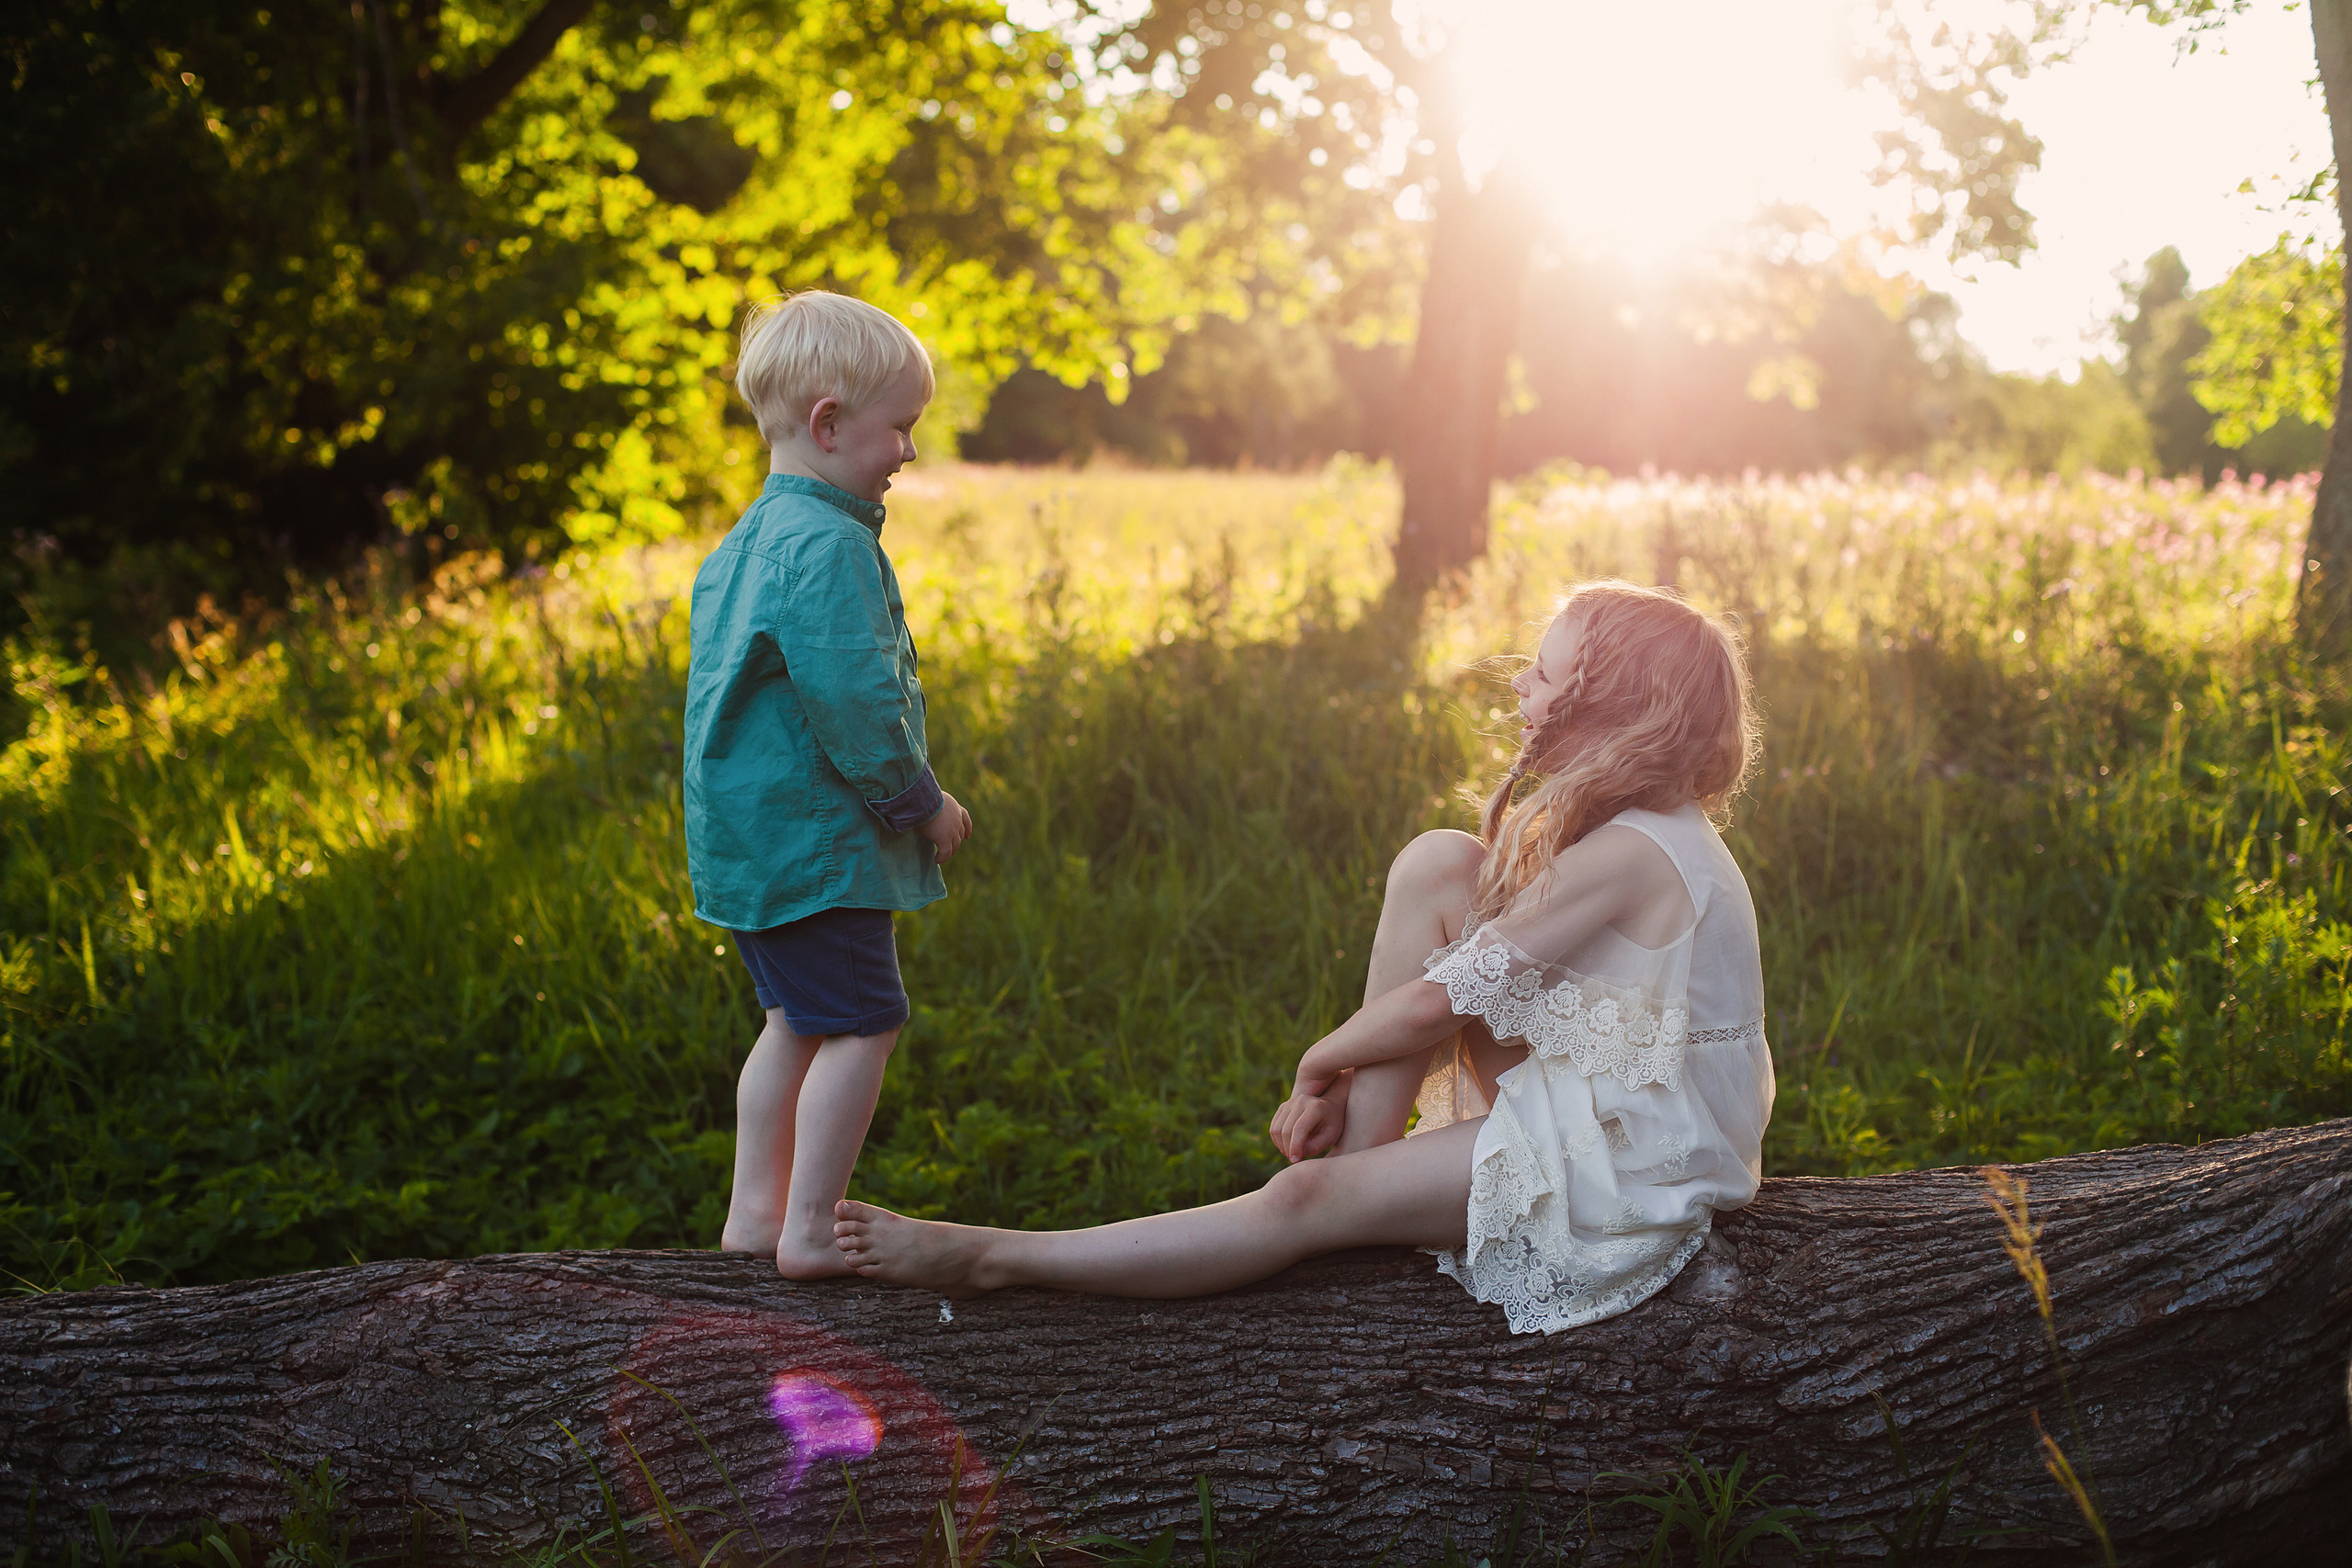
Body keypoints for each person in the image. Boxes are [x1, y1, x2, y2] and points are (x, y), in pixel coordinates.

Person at [834, 581, 1772, 1332]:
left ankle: (997, 1259)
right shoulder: (1643, 830)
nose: (1519, 690)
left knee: (1299, 1199)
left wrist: (1319, 1061)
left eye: (1541, 674)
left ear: (1604, 705)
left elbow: (1434, 1008)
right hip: (1616, 1095)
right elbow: (1476, 974)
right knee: (1440, 861)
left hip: (1634, 1161)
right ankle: (1363, 1164)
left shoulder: (1634, 852)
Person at [685, 290, 973, 1280]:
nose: (906, 450)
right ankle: (810, 1230)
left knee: (794, 1021)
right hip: (819, 850)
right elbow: (856, 703)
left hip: (753, 846)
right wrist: (921, 804)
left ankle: (753, 1218)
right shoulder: (830, 546)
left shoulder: (747, 541)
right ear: (828, 423)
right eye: (900, 427)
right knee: (863, 1023)